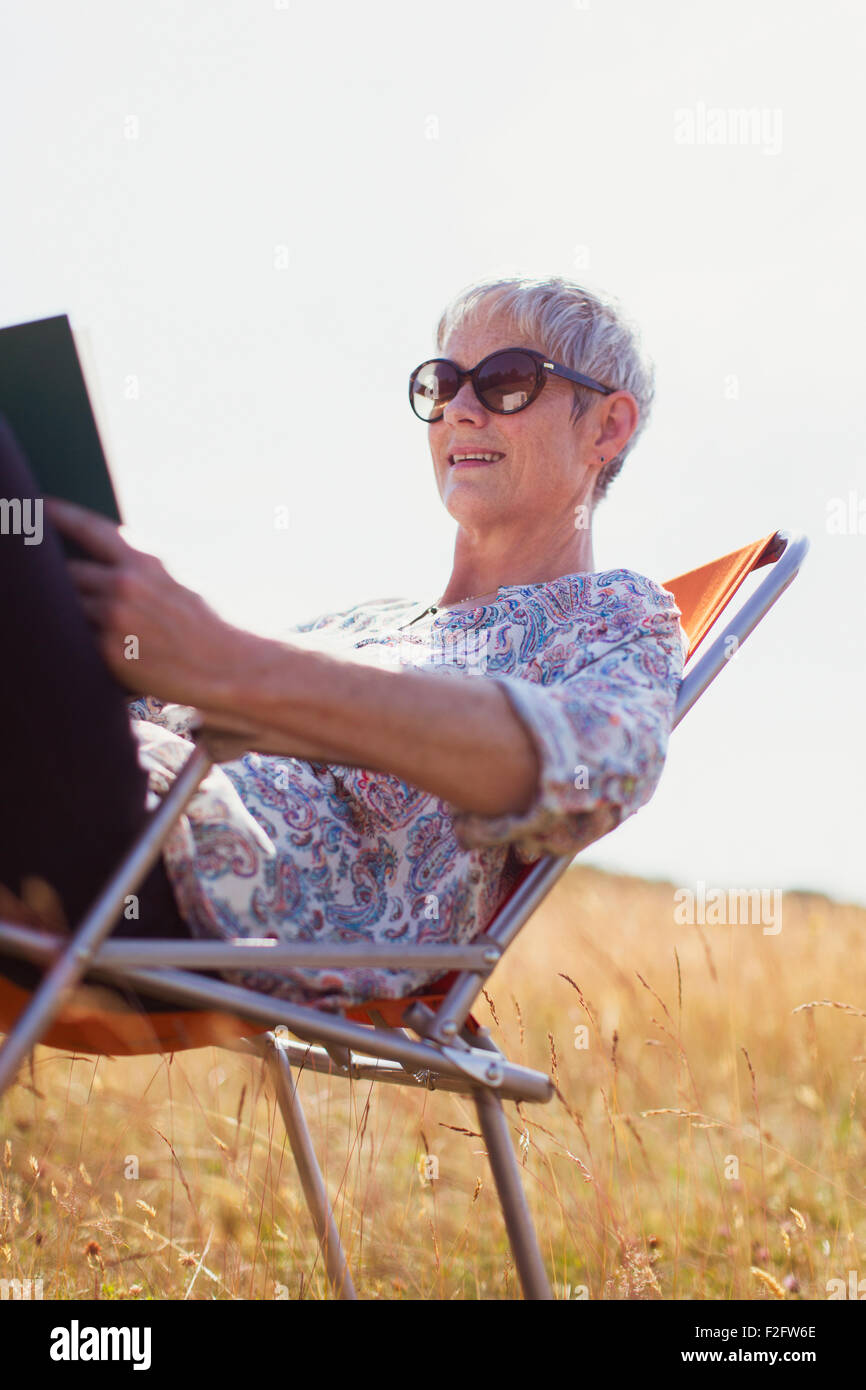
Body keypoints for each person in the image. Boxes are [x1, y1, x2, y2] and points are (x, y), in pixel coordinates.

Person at [0, 275, 685, 1012]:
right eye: (442, 383)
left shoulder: (617, 617)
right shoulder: (366, 625)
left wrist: (227, 664)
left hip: (175, 876)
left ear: (606, 429)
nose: (458, 408)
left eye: (506, 382)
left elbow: (591, 774)